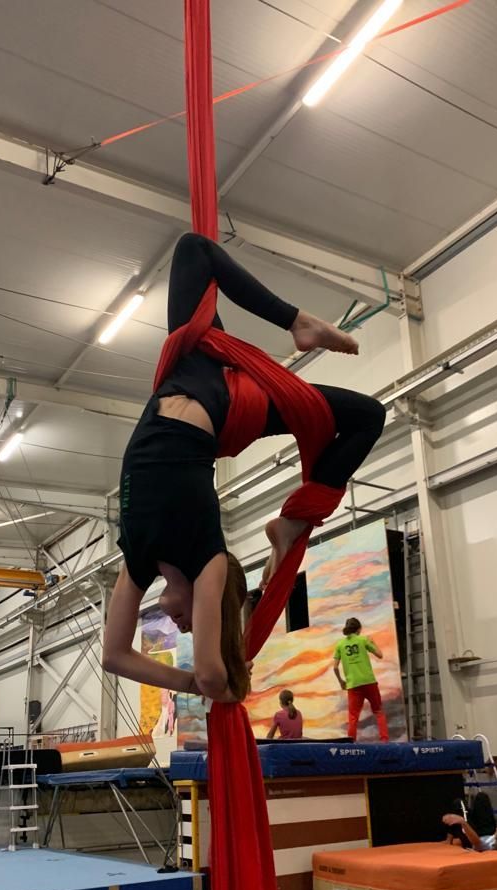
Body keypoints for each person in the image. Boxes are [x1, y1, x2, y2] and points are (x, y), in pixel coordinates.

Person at [102, 234, 386, 703]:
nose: (182, 626)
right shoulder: (207, 560)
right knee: (367, 416)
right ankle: (301, 323)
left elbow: (114, 656)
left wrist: (188, 683)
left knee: (193, 250)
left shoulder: (136, 562)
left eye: (184, 629)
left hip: (190, 381)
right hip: (225, 405)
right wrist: (215, 681)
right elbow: (216, 677)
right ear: (210, 597)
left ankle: (293, 521)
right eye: (194, 624)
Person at [333, 616, 389, 741]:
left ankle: (350, 744)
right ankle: (384, 741)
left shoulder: (340, 645)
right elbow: (380, 655)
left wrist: (341, 681)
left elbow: (335, 668)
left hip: (353, 684)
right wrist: (373, 642)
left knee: (353, 717)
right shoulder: (363, 640)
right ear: (358, 630)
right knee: (378, 711)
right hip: (369, 682)